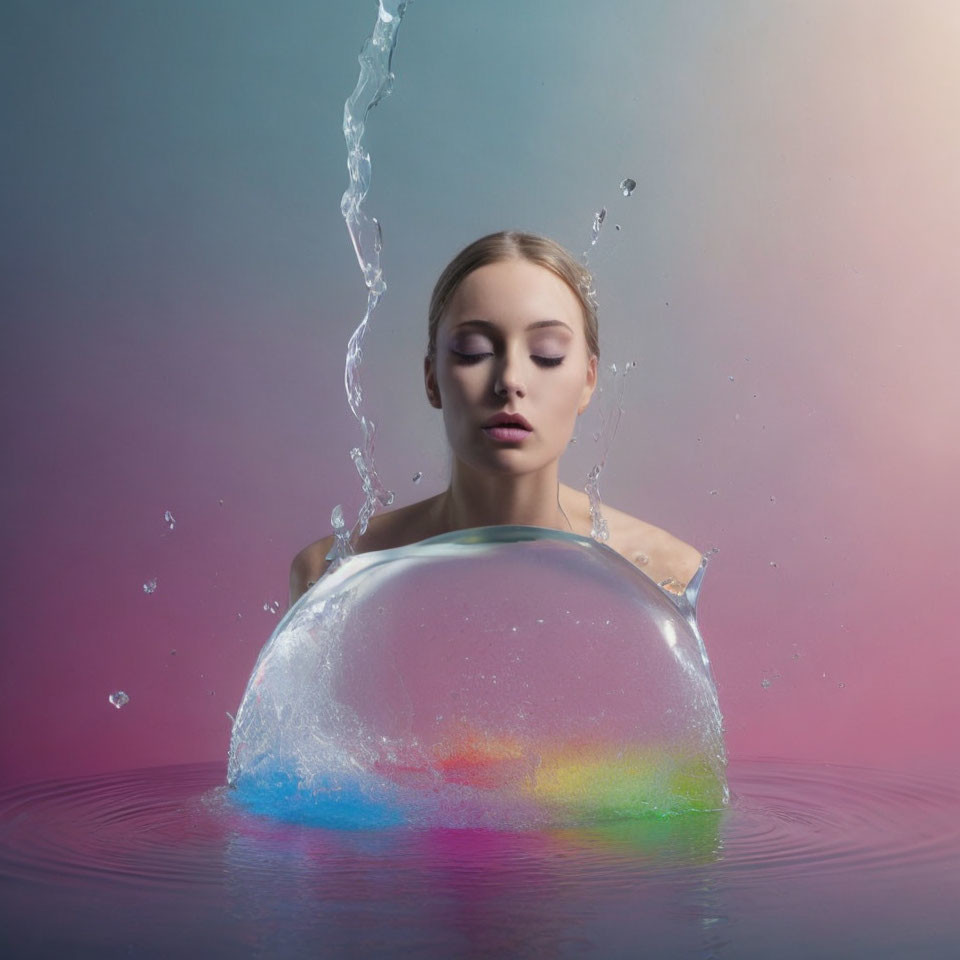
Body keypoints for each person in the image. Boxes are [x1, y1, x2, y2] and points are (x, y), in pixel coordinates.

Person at [289, 230, 702, 606]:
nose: (509, 381)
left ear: (588, 381)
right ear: (432, 379)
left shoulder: (661, 574)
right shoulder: (334, 574)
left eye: (547, 355)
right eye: (473, 351)